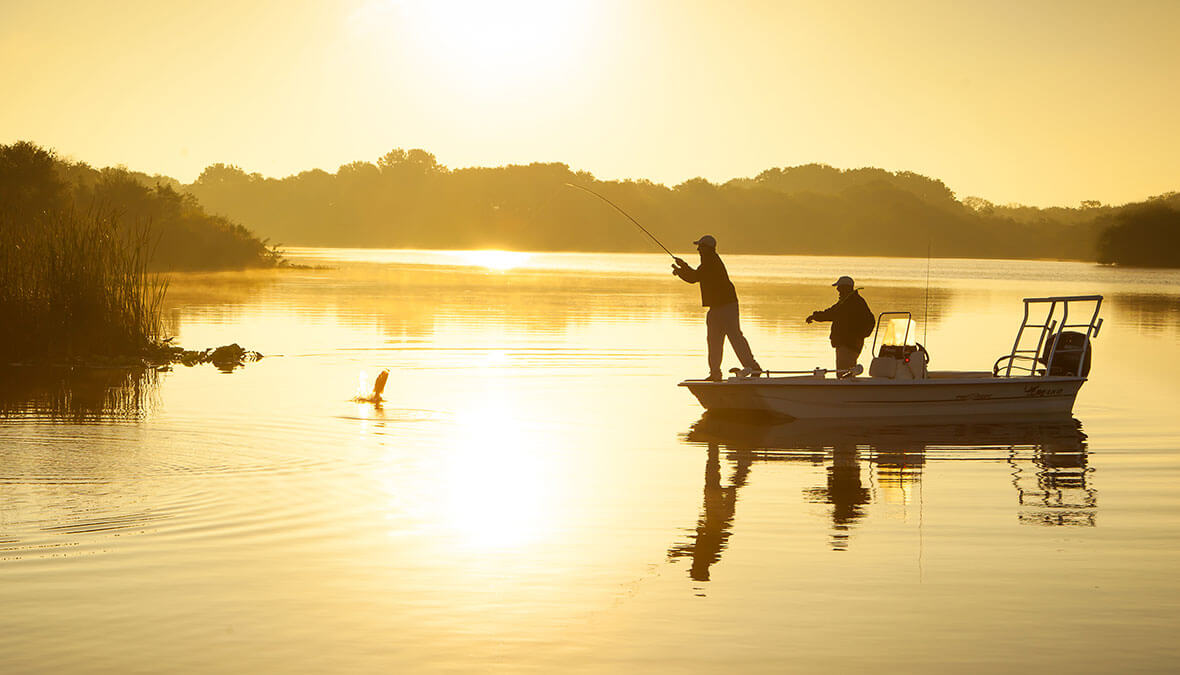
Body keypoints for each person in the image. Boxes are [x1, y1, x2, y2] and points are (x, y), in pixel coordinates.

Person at [672, 235, 762, 381]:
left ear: (708, 248)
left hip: (727, 306)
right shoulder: (708, 261)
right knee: (713, 341)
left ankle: (753, 368)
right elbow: (697, 275)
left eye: (701, 246)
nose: (698, 249)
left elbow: (694, 277)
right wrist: (683, 266)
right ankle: (715, 373)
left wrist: (681, 270)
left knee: (735, 338)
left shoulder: (711, 261)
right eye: (698, 247)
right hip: (715, 307)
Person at [806, 276, 874, 378]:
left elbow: (832, 313)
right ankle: (848, 390)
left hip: (847, 344)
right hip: (849, 343)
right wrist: (815, 316)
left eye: (839, 287)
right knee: (846, 372)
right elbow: (833, 312)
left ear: (845, 287)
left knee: (843, 373)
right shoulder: (849, 300)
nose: (837, 290)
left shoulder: (851, 302)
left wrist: (815, 316)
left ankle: (846, 391)